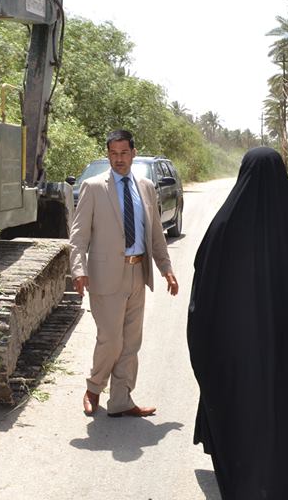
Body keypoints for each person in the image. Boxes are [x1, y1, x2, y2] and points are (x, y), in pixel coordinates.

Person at [187, 147, 288, 499]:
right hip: (286, 345)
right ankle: (285, 481)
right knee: (283, 409)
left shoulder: (224, 223)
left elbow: (203, 281)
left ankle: (245, 479)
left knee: (241, 407)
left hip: (237, 349)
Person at [69, 129, 179, 417]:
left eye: (124, 153)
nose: (119, 159)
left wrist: (166, 268)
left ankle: (121, 400)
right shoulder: (94, 188)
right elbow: (78, 236)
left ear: (133, 152)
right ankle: (93, 388)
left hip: (137, 275)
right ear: (108, 155)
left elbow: (155, 234)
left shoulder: (145, 187)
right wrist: (79, 270)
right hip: (105, 276)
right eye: (113, 153)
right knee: (111, 339)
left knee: (131, 342)